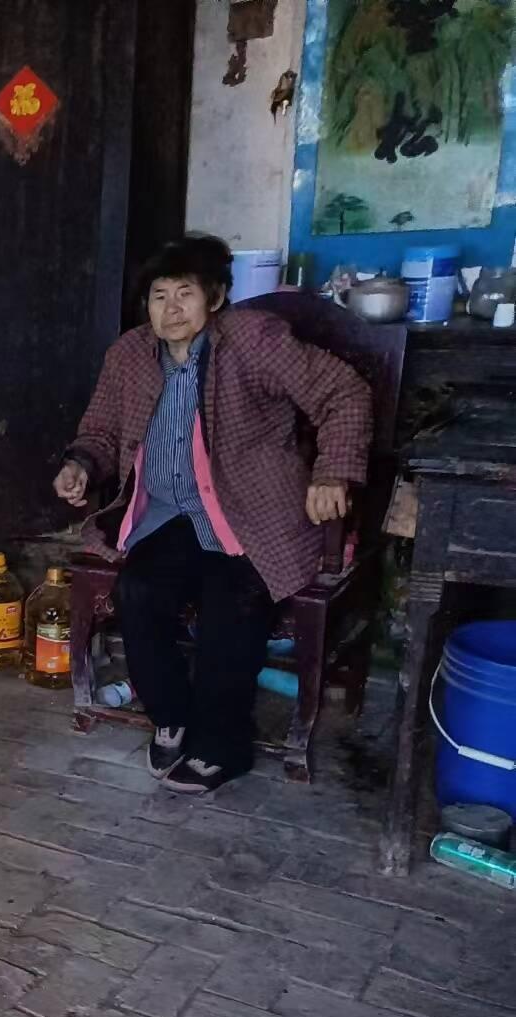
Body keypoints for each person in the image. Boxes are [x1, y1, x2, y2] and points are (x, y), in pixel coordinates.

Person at [53, 235, 371, 794]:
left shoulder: (252, 339)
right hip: (166, 513)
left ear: (217, 298)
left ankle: (225, 744)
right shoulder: (129, 355)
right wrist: (80, 463)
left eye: (186, 293)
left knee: (232, 607)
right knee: (139, 591)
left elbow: (343, 393)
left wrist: (332, 473)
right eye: (159, 296)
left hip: (249, 514)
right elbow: (99, 431)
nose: (171, 309)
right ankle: (172, 715)